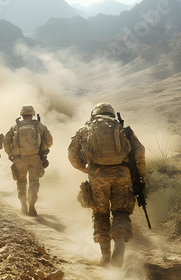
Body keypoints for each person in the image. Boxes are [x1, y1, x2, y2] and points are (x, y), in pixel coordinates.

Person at [68, 102, 146, 267]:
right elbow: (139, 151)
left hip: (97, 176)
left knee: (100, 213)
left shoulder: (86, 129)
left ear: (93, 114)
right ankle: (119, 239)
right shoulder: (123, 128)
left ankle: (105, 254)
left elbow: (72, 152)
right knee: (121, 211)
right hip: (122, 175)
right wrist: (140, 175)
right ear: (111, 114)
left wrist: (83, 167)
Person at [4, 105, 53, 216]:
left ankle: (23, 205)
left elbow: (6, 141)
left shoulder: (15, 126)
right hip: (35, 158)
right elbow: (50, 141)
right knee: (34, 182)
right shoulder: (38, 125)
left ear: (22, 114)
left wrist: (10, 154)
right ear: (32, 114)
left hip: (20, 159)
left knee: (21, 182)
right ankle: (32, 205)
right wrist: (41, 148)